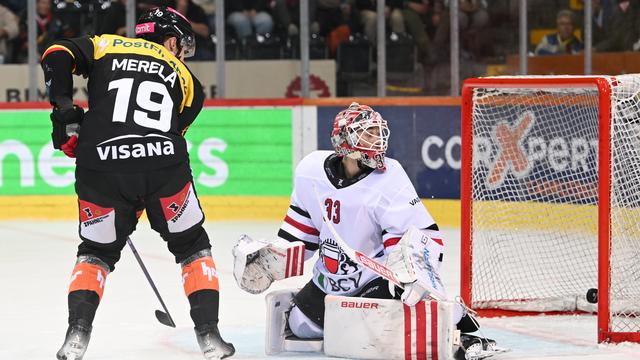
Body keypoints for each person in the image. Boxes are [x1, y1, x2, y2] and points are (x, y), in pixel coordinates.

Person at [41, 6, 234, 360]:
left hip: (100, 166)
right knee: (193, 246)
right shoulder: (190, 82)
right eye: (182, 46)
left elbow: (56, 54)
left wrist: (65, 110)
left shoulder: (106, 46)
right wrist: (142, 193)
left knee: (95, 252)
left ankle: (76, 335)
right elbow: (166, 132)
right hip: (163, 166)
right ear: (171, 41)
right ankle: (210, 336)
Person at [232, 102, 496, 359]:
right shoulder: (310, 171)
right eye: (368, 134)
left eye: (379, 133)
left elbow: (420, 234)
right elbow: (301, 234)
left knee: (382, 328)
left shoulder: (390, 176)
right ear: (344, 140)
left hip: (376, 280)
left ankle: (459, 320)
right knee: (302, 326)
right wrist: (270, 261)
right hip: (329, 281)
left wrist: (411, 269)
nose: (378, 140)